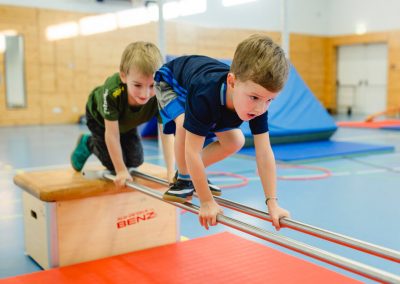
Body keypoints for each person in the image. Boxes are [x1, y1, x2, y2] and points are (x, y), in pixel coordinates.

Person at [155, 34, 290, 230]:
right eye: (254, 98)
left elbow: (264, 152)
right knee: (184, 123)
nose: (261, 108)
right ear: (232, 82)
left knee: (236, 140)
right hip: (171, 82)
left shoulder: (257, 101)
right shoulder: (205, 93)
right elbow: (192, 151)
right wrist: (206, 201)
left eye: (270, 100)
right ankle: (184, 179)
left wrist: (272, 202)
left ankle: (191, 174)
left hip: (202, 90)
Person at [71, 41, 174, 188]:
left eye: (152, 85)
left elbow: (167, 134)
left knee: (135, 161)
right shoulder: (112, 92)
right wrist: (120, 171)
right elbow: (112, 134)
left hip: (128, 122)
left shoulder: (161, 94)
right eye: (138, 85)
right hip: (100, 119)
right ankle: (88, 143)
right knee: (112, 165)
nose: (145, 94)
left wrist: (171, 171)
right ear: (123, 76)